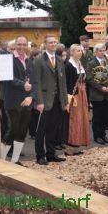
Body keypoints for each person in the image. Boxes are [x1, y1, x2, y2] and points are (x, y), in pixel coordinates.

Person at [0, 36, 37, 165]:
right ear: (15, 45)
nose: (22, 47)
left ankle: (15, 161)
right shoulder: (8, 60)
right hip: (12, 101)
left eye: (24, 44)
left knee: (22, 131)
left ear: (27, 45)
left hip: (27, 102)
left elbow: (35, 82)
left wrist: (30, 96)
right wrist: (23, 85)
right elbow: (7, 78)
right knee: (12, 130)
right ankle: (2, 161)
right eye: (19, 44)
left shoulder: (29, 61)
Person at [34, 35, 68, 165]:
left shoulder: (59, 59)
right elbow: (36, 82)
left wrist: (64, 101)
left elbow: (63, 82)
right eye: (50, 42)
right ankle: (40, 155)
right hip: (44, 101)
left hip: (57, 100)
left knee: (53, 129)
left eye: (55, 42)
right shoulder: (39, 60)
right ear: (45, 44)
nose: (53, 44)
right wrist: (39, 102)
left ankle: (51, 154)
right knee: (41, 130)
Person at [64, 44, 90, 155]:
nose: (80, 52)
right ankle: (69, 148)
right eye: (78, 51)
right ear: (72, 52)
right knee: (74, 120)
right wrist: (71, 96)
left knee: (81, 119)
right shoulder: (69, 65)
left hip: (82, 94)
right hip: (74, 95)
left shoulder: (79, 63)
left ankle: (75, 146)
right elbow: (67, 82)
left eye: (81, 50)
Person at [87, 43, 108, 145]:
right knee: (97, 116)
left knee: (105, 116)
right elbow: (89, 78)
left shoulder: (106, 62)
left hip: (107, 93)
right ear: (96, 52)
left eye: (103, 51)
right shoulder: (92, 63)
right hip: (97, 94)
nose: (102, 52)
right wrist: (101, 88)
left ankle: (103, 135)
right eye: (100, 51)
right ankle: (97, 136)